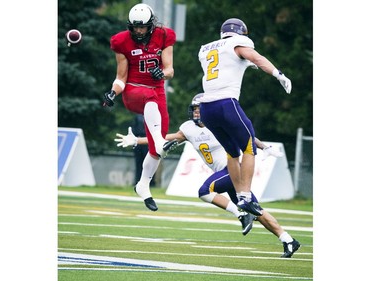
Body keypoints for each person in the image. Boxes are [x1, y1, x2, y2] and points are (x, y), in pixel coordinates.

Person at [115, 94, 300, 258]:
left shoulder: (218, 124)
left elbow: (246, 136)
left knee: (204, 191)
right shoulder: (188, 128)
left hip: (232, 171)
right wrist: (137, 141)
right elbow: (165, 138)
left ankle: (241, 215)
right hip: (224, 175)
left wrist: (264, 147)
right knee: (255, 210)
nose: (197, 113)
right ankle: (288, 239)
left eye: (200, 109)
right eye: (195, 110)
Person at [197, 18, 292, 218]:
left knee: (232, 151)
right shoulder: (238, 44)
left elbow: (223, 67)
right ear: (241, 33)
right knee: (249, 146)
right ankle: (245, 196)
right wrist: (278, 74)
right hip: (226, 103)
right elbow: (257, 58)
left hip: (206, 107)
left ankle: (241, 195)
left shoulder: (205, 49)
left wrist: (244, 63)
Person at [103, 3, 177, 212]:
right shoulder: (121, 41)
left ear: (151, 25)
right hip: (134, 91)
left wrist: (161, 73)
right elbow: (121, 77)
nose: (139, 31)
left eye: (142, 27)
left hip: (157, 91)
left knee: (156, 149)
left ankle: (143, 185)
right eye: (135, 27)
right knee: (149, 98)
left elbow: (170, 69)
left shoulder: (164, 35)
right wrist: (112, 93)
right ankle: (162, 142)